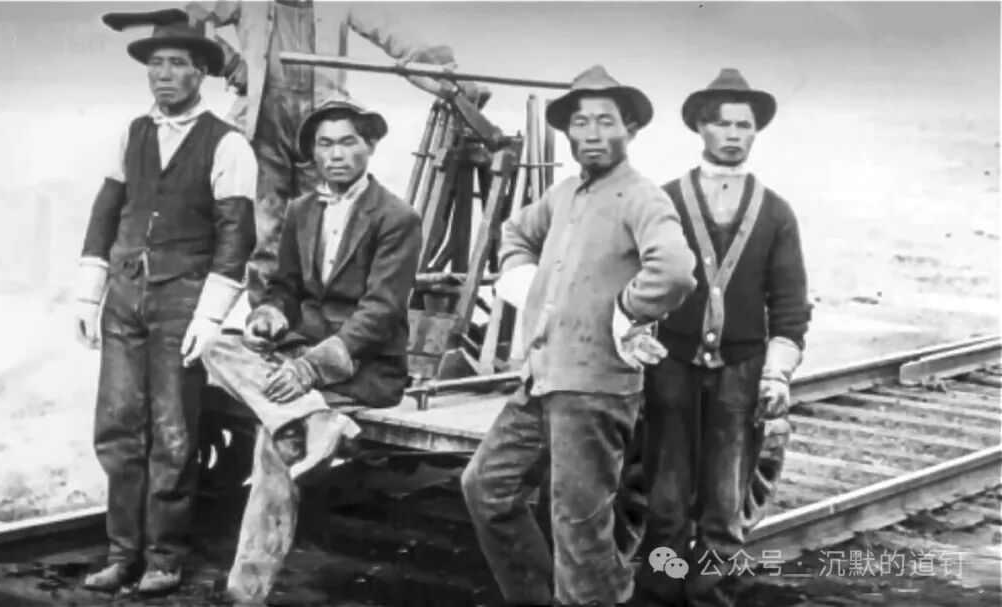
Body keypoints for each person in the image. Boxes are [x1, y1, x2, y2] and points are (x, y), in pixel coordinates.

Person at [460, 65, 698, 606]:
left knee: (578, 529)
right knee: (486, 487)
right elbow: (515, 232)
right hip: (541, 381)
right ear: (568, 131)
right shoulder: (565, 193)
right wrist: (525, 282)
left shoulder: (642, 197)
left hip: (594, 392)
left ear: (630, 128)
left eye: (605, 121)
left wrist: (628, 310)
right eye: (581, 122)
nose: (591, 133)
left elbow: (676, 270)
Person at [199, 95, 422, 604]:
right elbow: (284, 288)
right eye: (324, 144)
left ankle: (247, 590)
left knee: (275, 436)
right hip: (298, 357)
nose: (336, 154)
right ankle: (316, 418)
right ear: (313, 154)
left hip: (364, 366)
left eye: (348, 142)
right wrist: (270, 316)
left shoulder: (397, 217)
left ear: (370, 147)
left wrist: (309, 369)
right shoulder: (300, 210)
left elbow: (381, 312)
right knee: (216, 348)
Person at [72, 8, 257, 594]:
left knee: (174, 435)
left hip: (182, 301)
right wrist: (89, 295)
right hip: (125, 297)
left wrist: (210, 315)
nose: (164, 75)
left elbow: (236, 238)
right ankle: (121, 554)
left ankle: (164, 559)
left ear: (201, 72)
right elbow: (105, 216)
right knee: (117, 429)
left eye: (177, 64)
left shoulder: (228, 144)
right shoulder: (131, 134)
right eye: (156, 64)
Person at [631, 68, 812, 607]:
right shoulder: (663, 201)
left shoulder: (776, 212)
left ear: (755, 133)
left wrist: (776, 375)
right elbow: (636, 282)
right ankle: (660, 590)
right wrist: (635, 338)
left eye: (744, 125)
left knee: (726, 502)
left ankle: (712, 596)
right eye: (723, 124)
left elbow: (789, 306)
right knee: (665, 499)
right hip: (671, 366)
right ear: (701, 128)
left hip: (742, 371)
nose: (734, 135)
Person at [184, 0, 466, 307]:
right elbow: (191, 19)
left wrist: (434, 64)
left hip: (320, 124)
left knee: (323, 227)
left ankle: (316, 318)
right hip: (264, 122)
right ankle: (267, 317)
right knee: (265, 231)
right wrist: (231, 65)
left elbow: (387, 29)